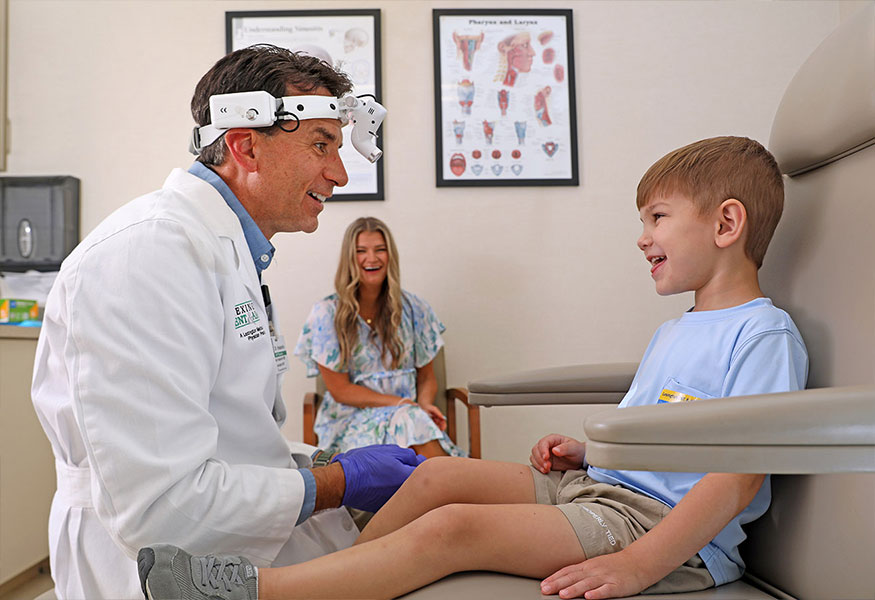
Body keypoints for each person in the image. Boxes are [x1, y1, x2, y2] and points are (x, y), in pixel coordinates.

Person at [138, 136, 809, 600]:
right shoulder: (677, 329)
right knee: (436, 476)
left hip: (658, 532)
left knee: (453, 528)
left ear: (726, 223)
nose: (642, 237)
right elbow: (662, 432)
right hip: (600, 491)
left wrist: (637, 566)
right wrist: (588, 454)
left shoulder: (762, 334)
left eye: (657, 218)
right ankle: (339, 576)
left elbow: (736, 477)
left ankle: (265, 592)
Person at [31, 44, 423, 600]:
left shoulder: (227, 252)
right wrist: (336, 483)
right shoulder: (147, 255)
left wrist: (319, 464)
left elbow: (233, 431)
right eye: (321, 145)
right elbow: (164, 508)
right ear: (245, 145)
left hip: (226, 540)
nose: (338, 174)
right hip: (149, 564)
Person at [295, 217, 465, 459]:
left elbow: (427, 377)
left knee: (409, 426)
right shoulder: (326, 314)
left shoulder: (415, 308)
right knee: (410, 426)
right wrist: (400, 404)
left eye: (380, 250)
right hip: (351, 422)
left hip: (410, 420)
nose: (371, 258)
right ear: (349, 258)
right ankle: (456, 479)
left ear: (390, 255)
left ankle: (448, 479)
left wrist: (425, 404)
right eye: (361, 251)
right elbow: (341, 390)